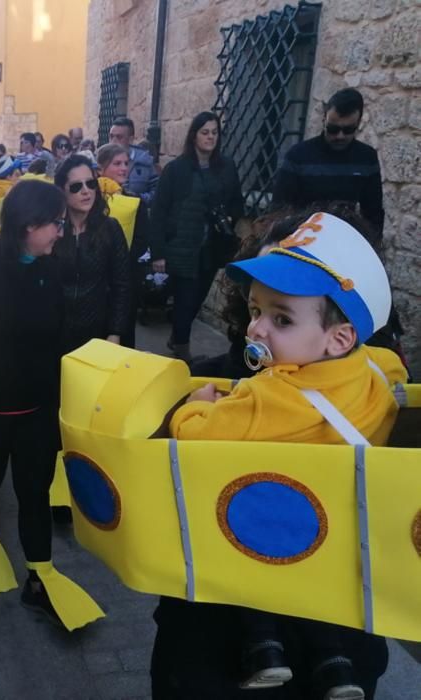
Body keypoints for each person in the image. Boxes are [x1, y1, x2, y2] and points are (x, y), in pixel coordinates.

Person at [168, 211, 406, 699]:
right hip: (343, 546)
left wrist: (192, 410)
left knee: (254, 567)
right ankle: (335, 667)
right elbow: (392, 368)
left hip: (270, 523)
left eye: (281, 319)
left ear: (338, 338)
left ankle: (264, 649)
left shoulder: (267, 398)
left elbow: (197, 439)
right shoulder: (378, 372)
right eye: (256, 311)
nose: (256, 329)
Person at [0, 179, 103, 632]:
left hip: (37, 412)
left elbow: (58, 339)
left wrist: (60, 406)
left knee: (33, 492)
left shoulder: (52, 269)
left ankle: (40, 577)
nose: (61, 231)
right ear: (27, 224)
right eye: (54, 223)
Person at [150, 111, 245, 362]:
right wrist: (158, 252)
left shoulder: (226, 167)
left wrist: (229, 219)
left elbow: (237, 201)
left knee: (197, 298)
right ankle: (182, 350)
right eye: (205, 132)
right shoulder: (176, 169)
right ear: (194, 135)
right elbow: (159, 211)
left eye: (214, 132)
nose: (210, 137)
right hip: (182, 246)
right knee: (185, 298)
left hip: (211, 248)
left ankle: (177, 337)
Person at [272, 88, 383, 238]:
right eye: (333, 129)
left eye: (348, 129)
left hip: (344, 242)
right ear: (324, 119)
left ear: (358, 123)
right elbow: (279, 209)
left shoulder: (366, 158)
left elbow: (373, 213)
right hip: (300, 239)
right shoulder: (298, 156)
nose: (340, 136)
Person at [52, 154, 131, 354]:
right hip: (56, 333)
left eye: (91, 183)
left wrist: (115, 332)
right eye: (76, 186)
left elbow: (121, 285)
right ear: (62, 190)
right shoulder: (53, 230)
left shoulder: (110, 228)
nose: (86, 191)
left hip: (98, 332)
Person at [96, 143, 150, 348]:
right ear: (101, 168)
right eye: (117, 163)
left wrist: (120, 259)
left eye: (126, 163)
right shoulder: (89, 199)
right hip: (95, 275)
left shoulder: (135, 201)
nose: (123, 168)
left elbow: (142, 240)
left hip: (126, 274)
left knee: (124, 328)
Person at [108, 117, 158, 204]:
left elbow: (157, 192)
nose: (113, 141)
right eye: (111, 136)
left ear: (130, 139)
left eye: (119, 137)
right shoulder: (102, 160)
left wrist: (137, 198)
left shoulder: (145, 161)